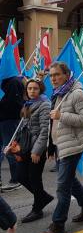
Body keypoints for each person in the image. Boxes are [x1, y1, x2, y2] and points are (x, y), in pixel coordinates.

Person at [39, 62, 83, 233]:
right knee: (70, 180)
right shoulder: (58, 93)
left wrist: (62, 116)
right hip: (61, 144)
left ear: (66, 75)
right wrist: (51, 145)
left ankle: (58, 223)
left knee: (62, 187)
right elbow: (53, 123)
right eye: (51, 76)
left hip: (73, 145)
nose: (53, 79)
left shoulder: (77, 94)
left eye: (57, 75)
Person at [15, 79, 54, 223]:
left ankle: (37, 209)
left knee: (34, 178)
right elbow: (23, 127)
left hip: (37, 148)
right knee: (20, 176)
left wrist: (37, 151)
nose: (32, 91)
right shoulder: (28, 104)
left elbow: (45, 131)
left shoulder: (44, 104)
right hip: (26, 147)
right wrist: (15, 143)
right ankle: (43, 197)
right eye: (29, 89)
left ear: (41, 90)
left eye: (35, 89)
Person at [0, 74, 24, 191]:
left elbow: (13, 103)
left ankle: (16, 179)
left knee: (10, 149)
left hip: (9, 119)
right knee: (5, 149)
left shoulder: (12, 81)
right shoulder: (6, 79)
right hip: (4, 119)